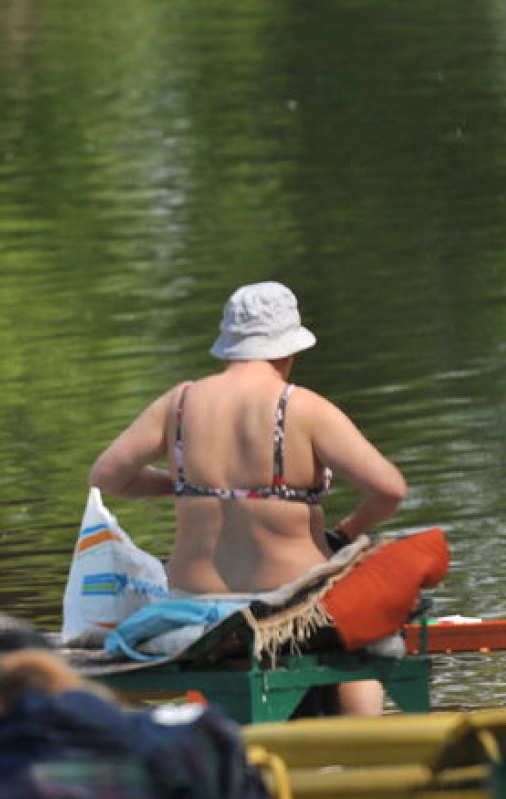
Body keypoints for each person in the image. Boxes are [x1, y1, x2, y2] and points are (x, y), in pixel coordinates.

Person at [89, 281, 408, 715]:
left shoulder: (178, 404)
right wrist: (346, 532)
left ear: (229, 348)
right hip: (287, 604)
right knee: (368, 633)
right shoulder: (303, 407)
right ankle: (361, 747)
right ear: (288, 350)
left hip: (192, 603)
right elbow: (389, 490)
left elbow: (109, 476)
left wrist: (185, 484)